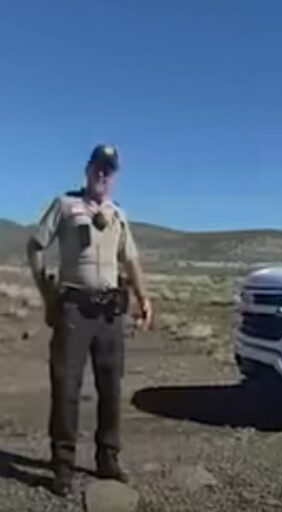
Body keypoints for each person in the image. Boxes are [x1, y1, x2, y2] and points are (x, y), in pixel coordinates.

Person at [25, 144, 153, 496]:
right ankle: (62, 467)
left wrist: (144, 299)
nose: (103, 174)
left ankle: (107, 459)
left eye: (109, 169)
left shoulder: (118, 214)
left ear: (114, 176)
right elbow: (35, 246)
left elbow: (131, 261)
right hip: (74, 309)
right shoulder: (66, 206)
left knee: (110, 388)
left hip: (110, 312)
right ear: (87, 169)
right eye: (98, 167)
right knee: (66, 388)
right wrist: (46, 291)